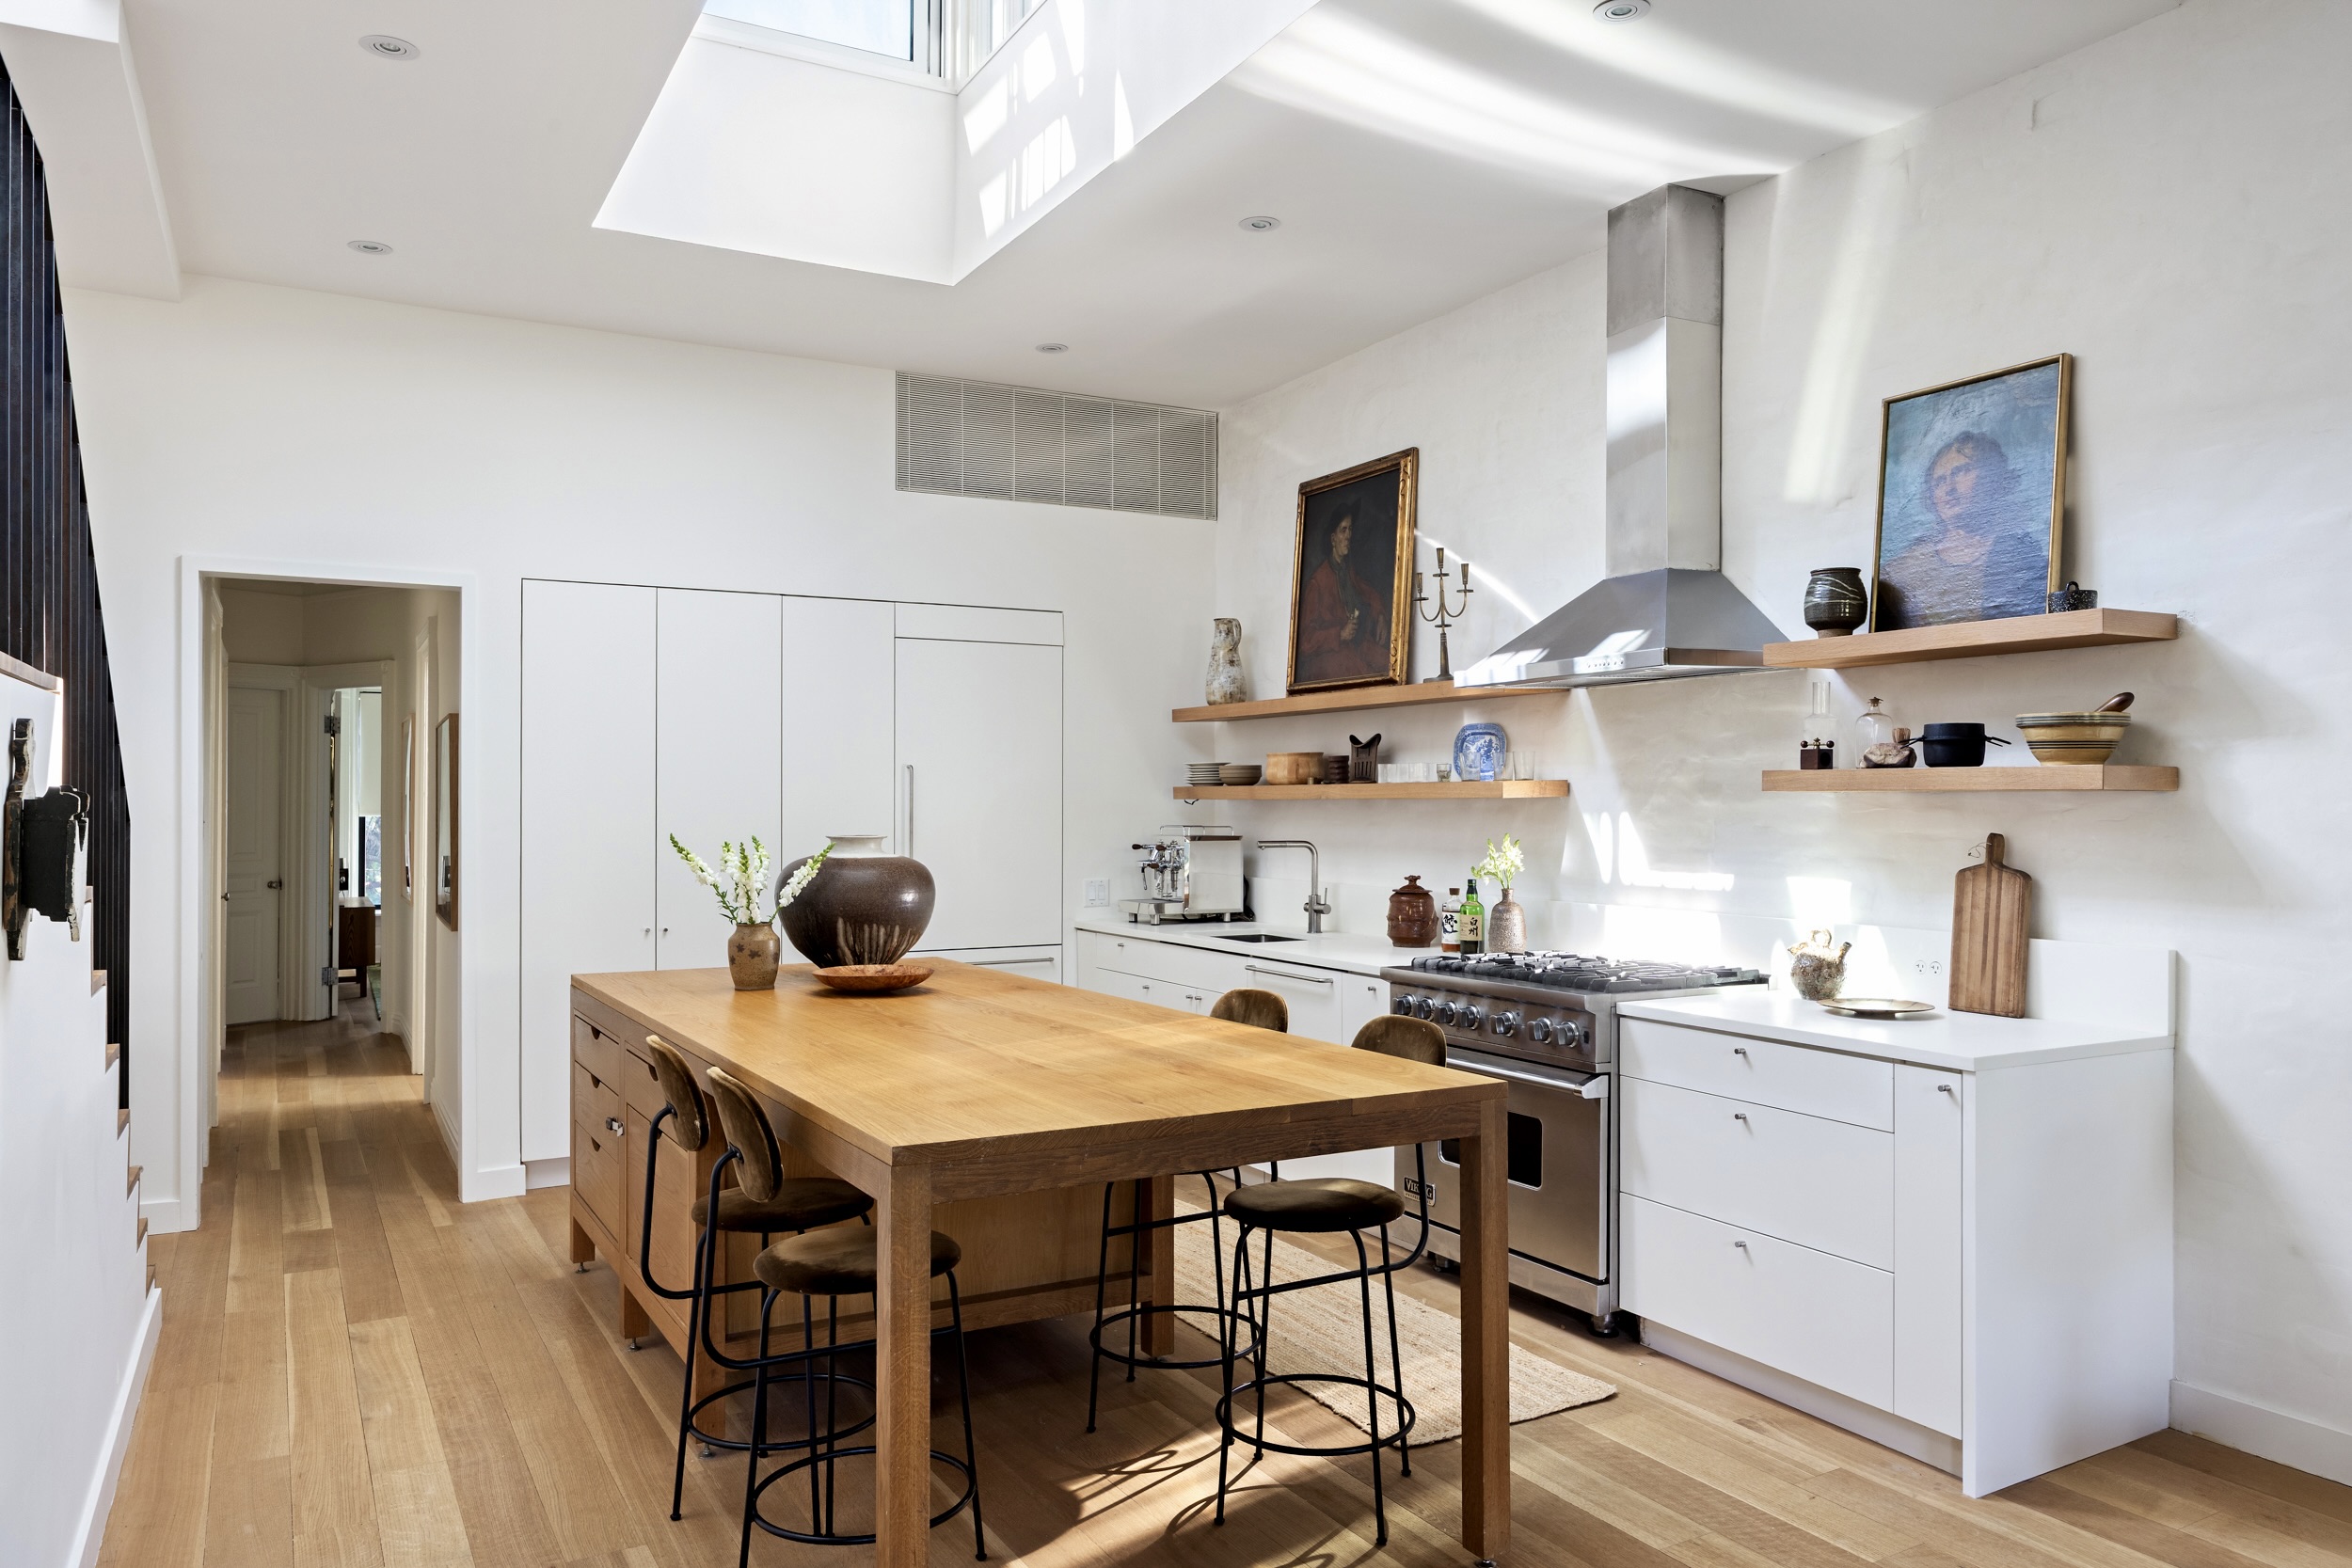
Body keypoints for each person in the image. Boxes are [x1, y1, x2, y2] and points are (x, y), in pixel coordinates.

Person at [1881, 431, 2049, 626]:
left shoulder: (2022, 556)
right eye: (1939, 481)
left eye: (1962, 471)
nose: (1949, 488)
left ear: (1992, 478)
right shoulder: (1904, 567)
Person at [1294, 501, 1391, 686]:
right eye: (1343, 530)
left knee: (1389, 663)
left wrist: (1380, 615)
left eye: (1350, 530)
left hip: (1355, 646)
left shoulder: (1346, 571)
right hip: (1330, 658)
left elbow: (1367, 591)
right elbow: (1305, 642)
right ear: (1333, 539)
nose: (1348, 536)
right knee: (1367, 676)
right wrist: (1339, 634)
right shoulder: (1317, 583)